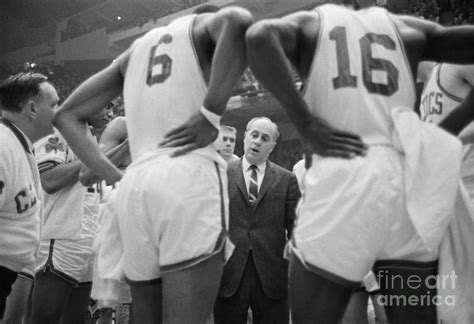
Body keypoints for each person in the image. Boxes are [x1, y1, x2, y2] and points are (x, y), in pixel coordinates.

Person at [244, 1, 474, 323]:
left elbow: (257, 35)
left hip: (343, 174)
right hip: (402, 181)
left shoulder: (313, 23)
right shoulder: (408, 28)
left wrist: (305, 122)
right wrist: (452, 124)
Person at [53, 5, 254, 323]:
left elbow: (65, 115)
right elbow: (239, 20)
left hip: (137, 185)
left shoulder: (135, 51)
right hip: (187, 173)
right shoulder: (202, 27)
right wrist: (211, 113)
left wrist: (114, 176)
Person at [214, 117, 300, 324]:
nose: (258, 142)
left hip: (272, 275)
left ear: (272, 146)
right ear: (245, 137)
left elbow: (297, 229)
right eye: (254, 135)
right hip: (229, 274)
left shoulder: (287, 180)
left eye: (265, 138)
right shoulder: (219, 176)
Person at [31, 106, 112, 324]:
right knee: (45, 317)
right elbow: (49, 179)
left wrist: (122, 147)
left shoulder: (90, 137)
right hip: (59, 238)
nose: (111, 114)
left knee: (76, 318)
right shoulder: (57, 132)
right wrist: (97, 155)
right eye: (107, 105)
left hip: (85, 240)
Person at [0, 72, 59, 319]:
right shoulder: (3, 145)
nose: (60, 110)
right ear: (32, 109)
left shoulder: (18, 143)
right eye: (54, 104)